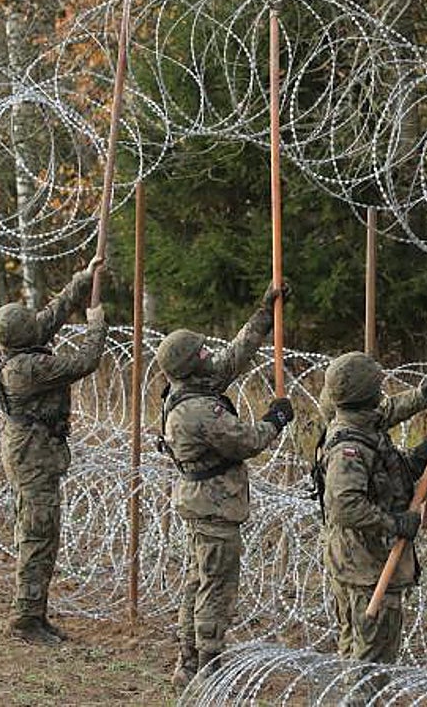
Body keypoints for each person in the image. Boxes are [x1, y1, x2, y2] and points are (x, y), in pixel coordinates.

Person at [158, 283, 293, 687]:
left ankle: (188, 661)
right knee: (215, 589)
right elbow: (246, 441)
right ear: (189, 364)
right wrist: (276, 419)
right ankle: (209, 668)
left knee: (199, 582)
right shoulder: (200, 409)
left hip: (201, 503)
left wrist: (264, 315)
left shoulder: (188, 388)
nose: (208, 354)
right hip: (214, 507)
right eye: (201, 352)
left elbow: (232, 358)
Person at [315, 351, 427, 689]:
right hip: (368, 566)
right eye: (378, 386)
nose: (383, 391)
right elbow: (345, 506)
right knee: (371, 664)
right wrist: (395, 523)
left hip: (356, 562)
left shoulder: (351, 419)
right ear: (366, 394)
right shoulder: (349, 447)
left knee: (355, 652)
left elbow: (387, 421)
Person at [0, 256, 107, 645]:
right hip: (33, 456)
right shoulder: (27, 368)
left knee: (42, 531)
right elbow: (86, 361)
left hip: (32, 450)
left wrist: (84, 277)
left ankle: (34, 615)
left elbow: (53, 314)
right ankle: (25, 619)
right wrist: (96, 325)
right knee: (39, 534)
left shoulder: (16, 349)